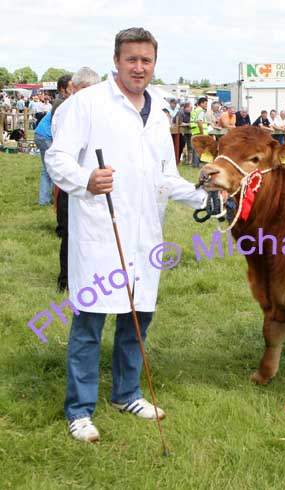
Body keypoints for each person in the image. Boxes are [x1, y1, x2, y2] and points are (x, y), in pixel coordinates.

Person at [45, 27, 209, 443]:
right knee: (89, 323)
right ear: (116, 60)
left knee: (137, 320)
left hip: (144, 235)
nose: (139, 67)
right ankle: (79, 409)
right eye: (131, 59)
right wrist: (86, 179)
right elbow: (57, 156)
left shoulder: (160, 112)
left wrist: (204, 196)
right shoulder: (88, 103)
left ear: (155, 63)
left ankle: (127, 393)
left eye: (146, 60)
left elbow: (166, 176)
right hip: (102, 232)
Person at [51, 67, 102, 293]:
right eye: (84, 89)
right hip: (73, 179)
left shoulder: (97, 110)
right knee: (70, 231)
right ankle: (67, 280)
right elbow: (60, 151)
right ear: (74, 88)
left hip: (96, 180)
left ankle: (93, 276)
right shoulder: (66, 110)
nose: (88, 94)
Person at [34, 108, 54, 206]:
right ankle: (47, 200)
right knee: (52, 168)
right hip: (45, 137)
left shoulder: (57, 107)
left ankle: (45, 199)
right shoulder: (64, 108)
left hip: (39, 134)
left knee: (46, 169)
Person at [190, 97, 209, 167]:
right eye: (205, 103)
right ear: (201, 103)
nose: (206, 105)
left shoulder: (194, 110)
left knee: (195, 149)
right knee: (201, 148)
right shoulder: (201, 111)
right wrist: (202, 132)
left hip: (194, 131)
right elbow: (199, 121)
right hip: (200, 132)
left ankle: (194, 164)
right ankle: (202, 164)